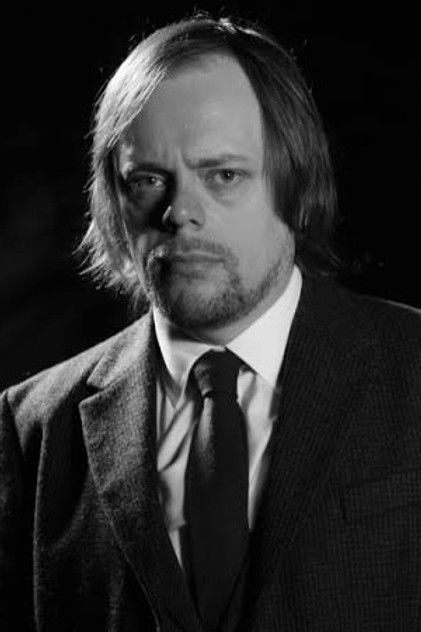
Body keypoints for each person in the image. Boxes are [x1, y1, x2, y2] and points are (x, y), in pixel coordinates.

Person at [1, 14, 421, 632]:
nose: (179, 212)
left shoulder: (412, 369)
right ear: (113, 199)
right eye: (147, 179)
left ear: (298, 183)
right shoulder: (31, 431)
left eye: (224, 175)